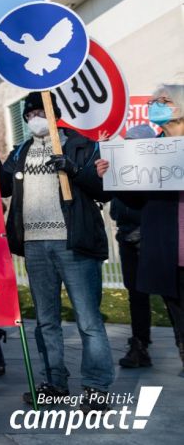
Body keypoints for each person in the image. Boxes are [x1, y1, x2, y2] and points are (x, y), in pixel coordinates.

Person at [0, 91, 113, 411]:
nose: (34, 119)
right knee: (46, 321)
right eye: (30, 114)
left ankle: (96, 387)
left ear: (55, 115)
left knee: (88, 320)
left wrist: (74, 170)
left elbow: (103, 189)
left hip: (73, 243)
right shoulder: (21, 150)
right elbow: (3, 186)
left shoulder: (80, 145)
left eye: (40, 112)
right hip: (35, 245)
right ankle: (54, 383)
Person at [96, 84, 184, 369]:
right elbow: (137, 199)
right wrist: (114, 177)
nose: (155, 106)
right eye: (152, 102)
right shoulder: (151, 149)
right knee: (177, 312)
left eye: (163, 101)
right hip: (166, 247)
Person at [108, 125, 161, 369]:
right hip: (126, 233)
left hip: (151, 234)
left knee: (170, 295)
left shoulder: (155, 169)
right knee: (136, 294)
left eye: (134, 142)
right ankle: (140, 344)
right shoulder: (120, 167)